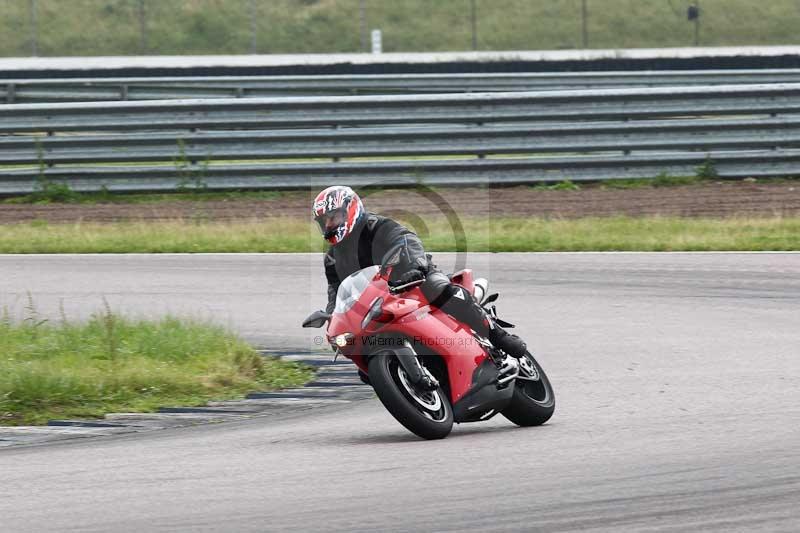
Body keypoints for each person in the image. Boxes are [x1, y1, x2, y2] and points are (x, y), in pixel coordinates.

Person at [314, 185, 527, 365]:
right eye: (325, 222)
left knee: (441, 290)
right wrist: (333, 315)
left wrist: (415, 266)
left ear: (350, 209)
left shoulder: (376, 226)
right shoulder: (332, 259)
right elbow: (336, 290)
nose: (329, 225)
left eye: (334, 217)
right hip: (378, 301)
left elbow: (406, 239)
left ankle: (499, 337)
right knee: (358, 349)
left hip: (413, 278)